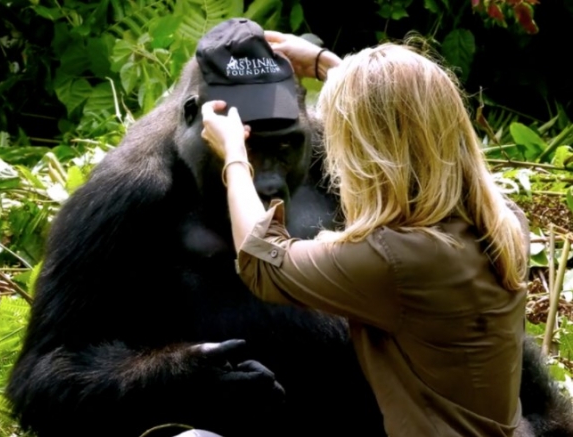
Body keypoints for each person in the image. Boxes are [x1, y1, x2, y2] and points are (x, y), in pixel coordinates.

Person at [199, 31, 531, 437]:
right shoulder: (502, 221)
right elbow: (414, 117)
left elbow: (262, 261)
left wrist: (235, 156)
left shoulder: (398, 260)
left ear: (368, 156)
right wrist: (325, 63)